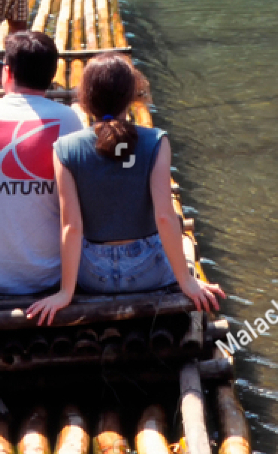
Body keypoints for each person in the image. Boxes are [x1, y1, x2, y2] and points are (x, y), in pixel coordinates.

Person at [27, 53, 225, 324]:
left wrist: (65, 292)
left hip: (93, 276)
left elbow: (71, 227)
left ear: (85, 98)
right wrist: (187, 282)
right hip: (148, 271)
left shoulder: (64, 148)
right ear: (133, 95)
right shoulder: (156, 141)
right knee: (179, 233)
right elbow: (165, 217)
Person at [0, 29, 82, 294]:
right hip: (52, 274)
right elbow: (76, 203)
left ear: (7, 72)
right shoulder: (70, 121)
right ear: (51, 76)